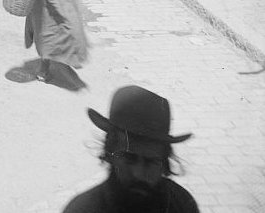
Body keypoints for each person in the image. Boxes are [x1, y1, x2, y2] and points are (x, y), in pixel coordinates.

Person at [63, 86, 198, 213]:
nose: (138, 173)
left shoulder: (182, 205)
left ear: (164, 164)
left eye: (151, 162)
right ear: (110, 154)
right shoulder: (82, 210)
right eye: (129, 158)